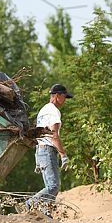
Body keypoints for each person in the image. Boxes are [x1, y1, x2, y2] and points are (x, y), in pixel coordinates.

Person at [26, 84, 73, 215]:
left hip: (40, 150)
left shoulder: (43, 110)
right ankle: (30, 203)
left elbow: (39, 133)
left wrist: (38, 158)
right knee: (53, 186)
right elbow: (54, 136)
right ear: (57, 96)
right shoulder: (53, 111)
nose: (65, 100)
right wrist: (63, 155)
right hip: (48, 150)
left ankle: (46, 214)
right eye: (64, 97)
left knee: (49, 187)